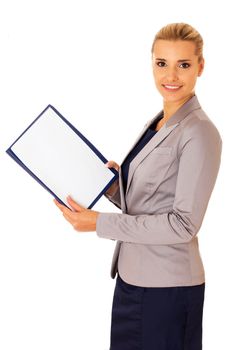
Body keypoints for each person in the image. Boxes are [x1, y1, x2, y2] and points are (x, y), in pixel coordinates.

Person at [54, 22, 222, 350]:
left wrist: (99, 223)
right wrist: (114, 186)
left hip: (167, 290)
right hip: (133, 281)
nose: (170, 76)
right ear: (152, 64)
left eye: (183, 65)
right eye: (162, 64)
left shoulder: (200, 133)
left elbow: (182, 224)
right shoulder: (159, 122)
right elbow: (152, 199)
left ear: (200, 66)